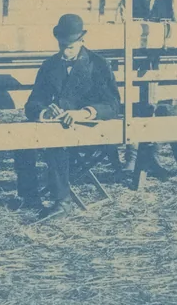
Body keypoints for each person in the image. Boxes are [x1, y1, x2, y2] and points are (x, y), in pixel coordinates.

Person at [14, 14, 122, 221]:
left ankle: (62, 202)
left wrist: (83, 113)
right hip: (57, 125)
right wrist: (45, 112)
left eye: (70, 47)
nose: (64, 51)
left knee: (56, 139)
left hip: (91, 128)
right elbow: (33, 102)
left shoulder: (98, 65)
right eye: (61, 46)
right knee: (22, 135)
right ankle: (29, 196)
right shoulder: (49, 65)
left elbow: (113, 105)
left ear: (82, 41)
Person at [126, 0, 176, 177]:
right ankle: (131, 158)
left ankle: (153, 158)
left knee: (159, 106)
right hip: (137, 58)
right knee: (136, 104)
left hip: (160, 59)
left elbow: (174, 24)